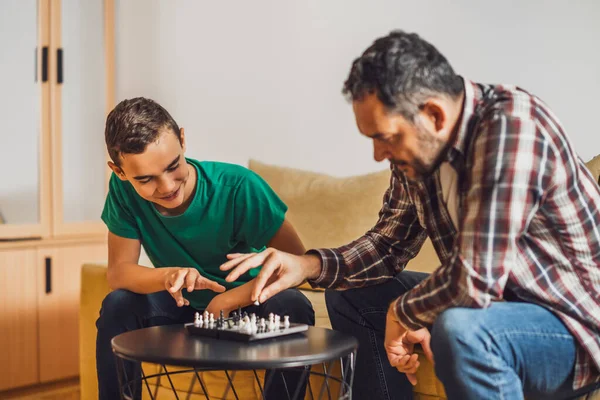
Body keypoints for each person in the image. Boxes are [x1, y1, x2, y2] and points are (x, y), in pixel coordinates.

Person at [219, 30, 600, 400]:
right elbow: (387, 246)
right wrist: (307, 265)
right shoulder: (418, 157)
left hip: (572, 327)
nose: (378, 154)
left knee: (460, 329)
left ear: (433, 114)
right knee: (349, 293)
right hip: (493, 310)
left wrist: (405, 311)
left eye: (384, 137)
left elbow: (475, 278)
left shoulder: (512, 128)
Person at [96, 97, 315, 400]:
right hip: (182, 306)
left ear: (183, 140)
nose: (167, 186)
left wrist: (233, 297)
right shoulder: (122, 191)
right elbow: (119, 273)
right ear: (119, 172)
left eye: (173, 166)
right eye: (145, 179)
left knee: (294, 304)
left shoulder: (239, 187)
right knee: (118, 305)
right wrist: (167, 275)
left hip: (247, 302)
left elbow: (299, 265)